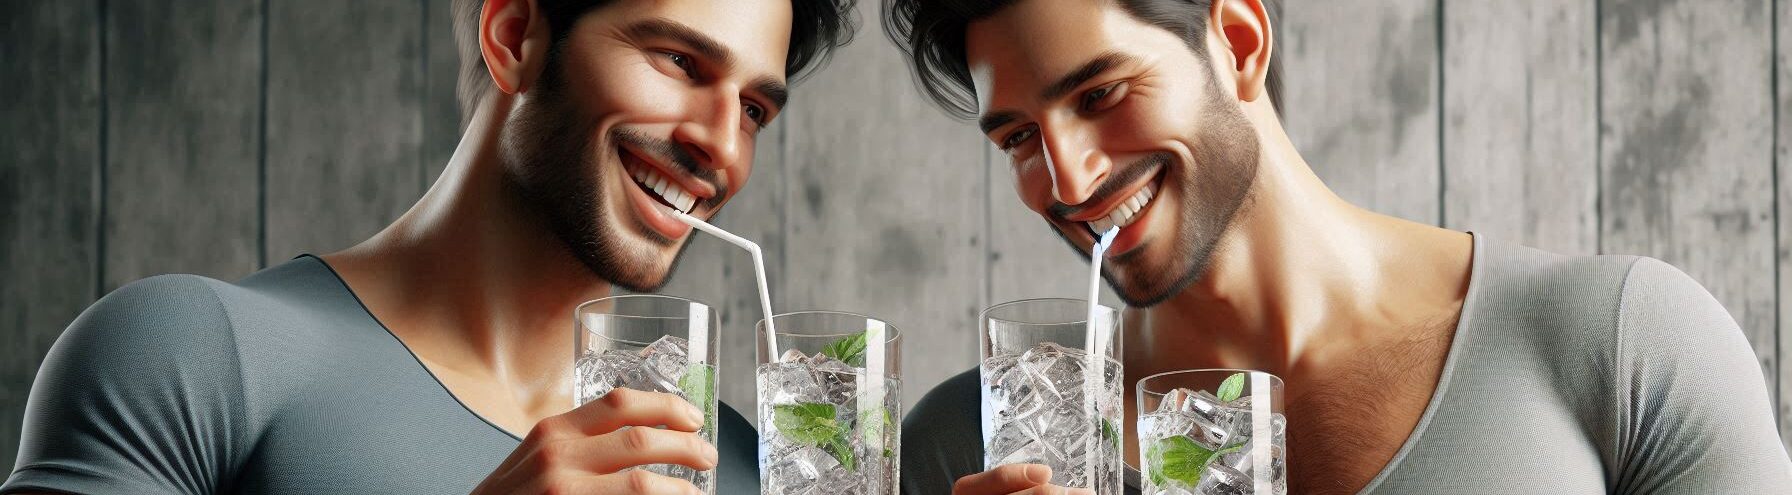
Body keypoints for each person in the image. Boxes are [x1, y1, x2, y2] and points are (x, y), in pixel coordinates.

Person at [883, 0, 1792, 493]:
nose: (1069, 179)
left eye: (1101, 94)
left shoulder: (1626, 341)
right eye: (1016, 139)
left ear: (1237, 41)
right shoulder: (970, 447)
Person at [2, 0, 852, 493]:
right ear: (514, 34)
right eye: (678, 61)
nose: (723, 148)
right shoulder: (189, 355)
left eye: (752, 109)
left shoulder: (743, 462)